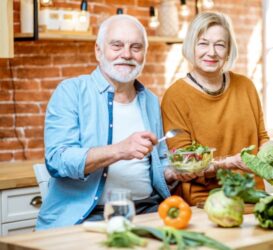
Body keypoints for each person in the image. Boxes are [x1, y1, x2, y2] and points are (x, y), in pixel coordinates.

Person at [36, 14, 179, 230]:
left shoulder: (149, 99)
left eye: (136, 47)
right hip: (88, 217)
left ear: (144, 54)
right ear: (98, 51)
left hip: (148, 211)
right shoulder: (71, 91)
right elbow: (57, 160)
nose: (126, 54)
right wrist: (120, 150)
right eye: (117, 45)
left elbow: (160, 160)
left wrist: (175, 173)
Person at [161, 12, 270, 206]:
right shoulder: (175, 96)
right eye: (203, 43)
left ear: (228, 51)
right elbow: (187, 166)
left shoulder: (246, 86)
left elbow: (262, 138)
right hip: (205, 202)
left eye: (220, 45)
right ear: (191, 47)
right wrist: (228, 163)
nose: (211, 52)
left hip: (253, 196)